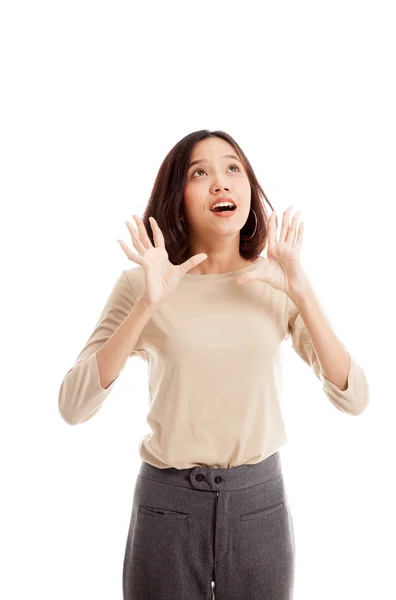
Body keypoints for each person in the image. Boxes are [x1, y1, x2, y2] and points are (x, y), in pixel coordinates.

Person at [58, 129, 369, 600]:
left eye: (232, 169)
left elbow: (354, 397)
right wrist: (147, 304)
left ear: (249, 188)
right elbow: (73, 406)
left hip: (259, 505)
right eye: (198, 173)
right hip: (168, 506)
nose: (220, 183)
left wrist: (300, 290)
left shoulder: (278, 282)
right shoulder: (141, 285)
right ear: (176, 196)